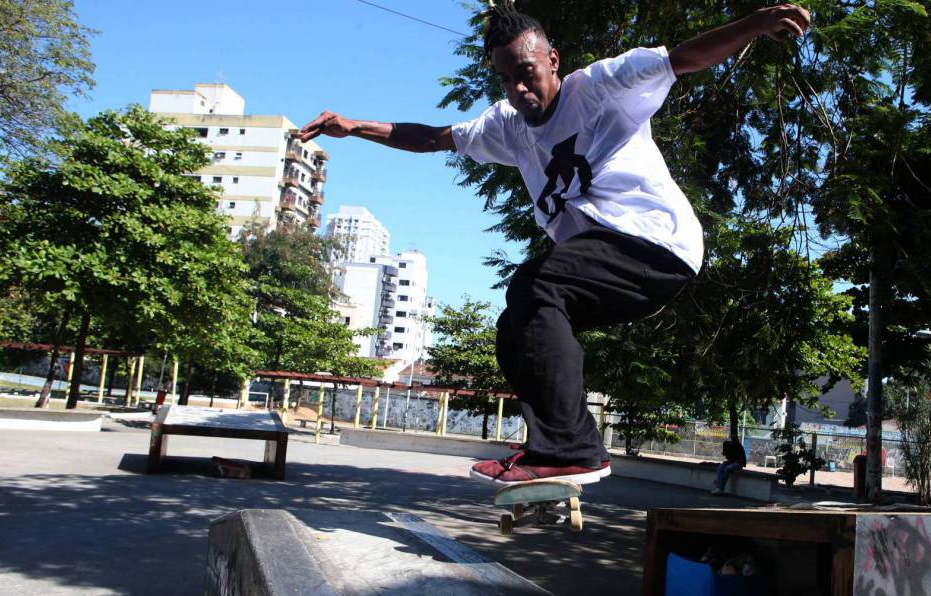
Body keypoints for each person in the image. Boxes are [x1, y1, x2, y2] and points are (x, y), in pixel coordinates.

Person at [299, 3, 811, 486]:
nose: (519, 89)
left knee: (535, 286)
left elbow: (681, 59)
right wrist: (354, 127)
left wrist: (754, 24)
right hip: (605, 260)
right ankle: (557, 450)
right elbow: (434, 137)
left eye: (527, 73)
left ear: (553, 60)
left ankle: (571, 450)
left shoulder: (600, 87)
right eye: (506, 79)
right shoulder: (505, 124)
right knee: (515, 328)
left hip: (654, 241)